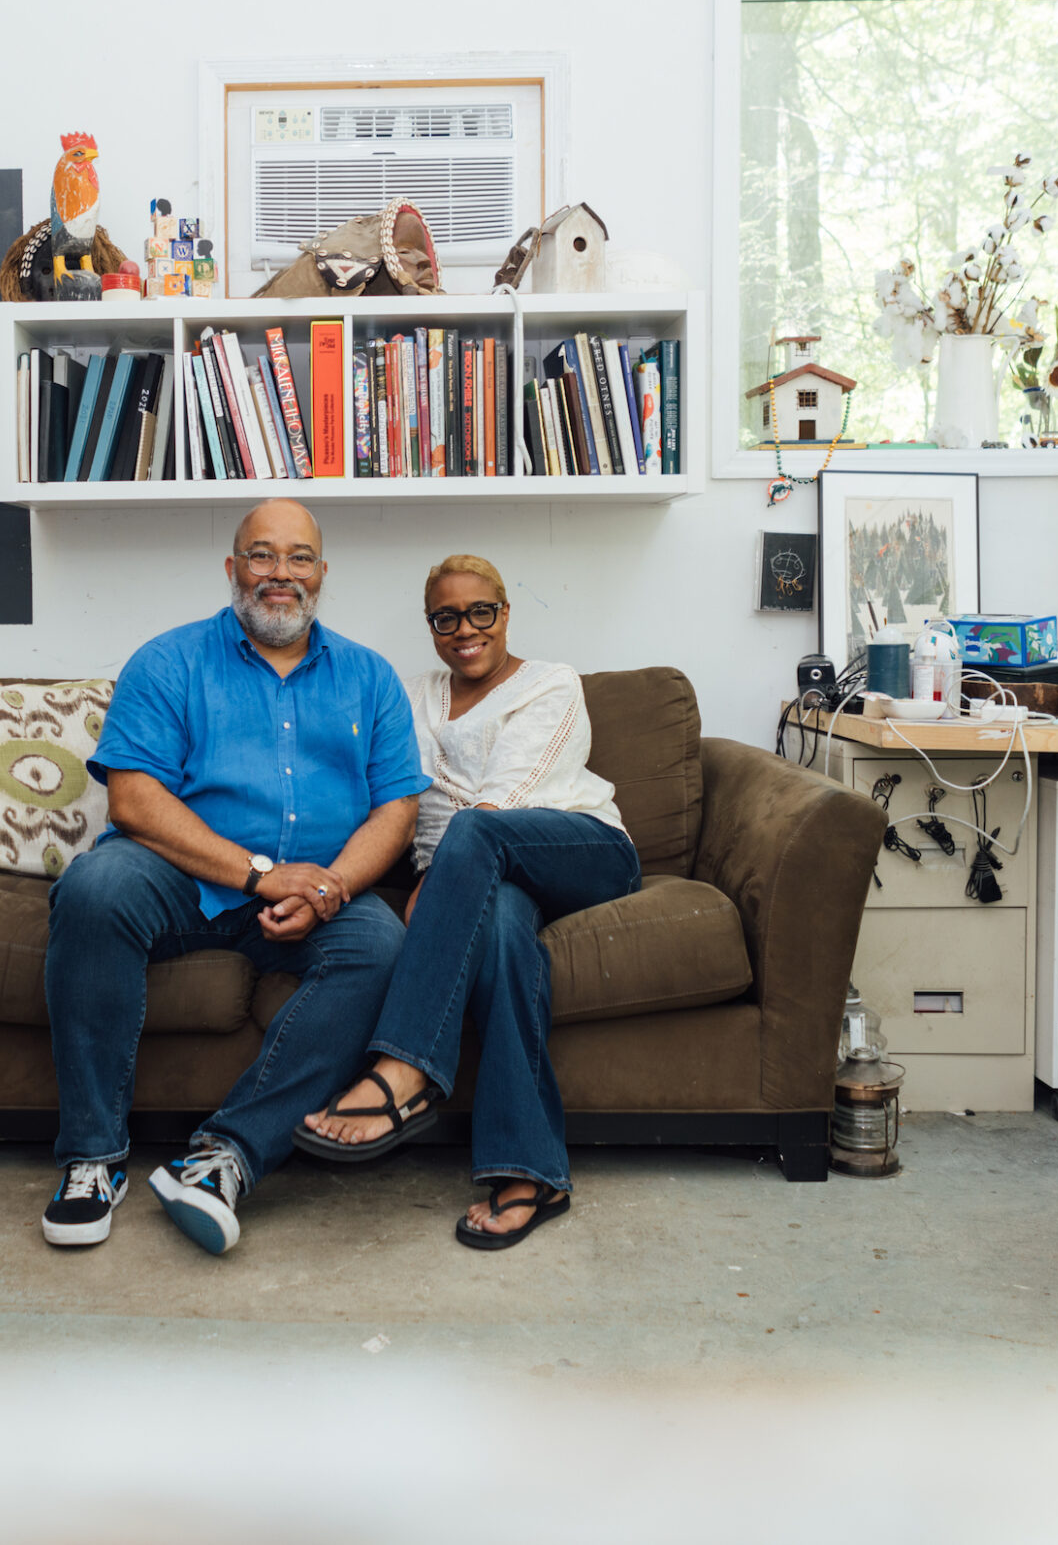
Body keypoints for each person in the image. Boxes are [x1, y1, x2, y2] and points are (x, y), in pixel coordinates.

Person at [41, 499, 429, 1255]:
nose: (279, 574)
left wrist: (328, 890)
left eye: (298, 558)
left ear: (322, 575)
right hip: (183, 876)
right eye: (261, 555)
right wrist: (262, 877)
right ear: (231, 569)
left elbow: (396, 810)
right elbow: (135, 798)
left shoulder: (369, 677)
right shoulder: (170, 660)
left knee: (380, 946)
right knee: (93, 891)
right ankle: (93, 1158)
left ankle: (225, 1157)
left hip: (315, 889)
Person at [297, 554, 639, 1250]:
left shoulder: (551, 684)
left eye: (480, 612)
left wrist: (445, 868)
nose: (465, 629)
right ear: (431, 626)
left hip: (580, 849)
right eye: (445, 617)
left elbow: (506, 796)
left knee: (478, 829)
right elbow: (398, 793)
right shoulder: (411, 694)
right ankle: (531, 1174)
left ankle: (405, 1067)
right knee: (506, 936)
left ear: (505, 613)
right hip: (489, 877)